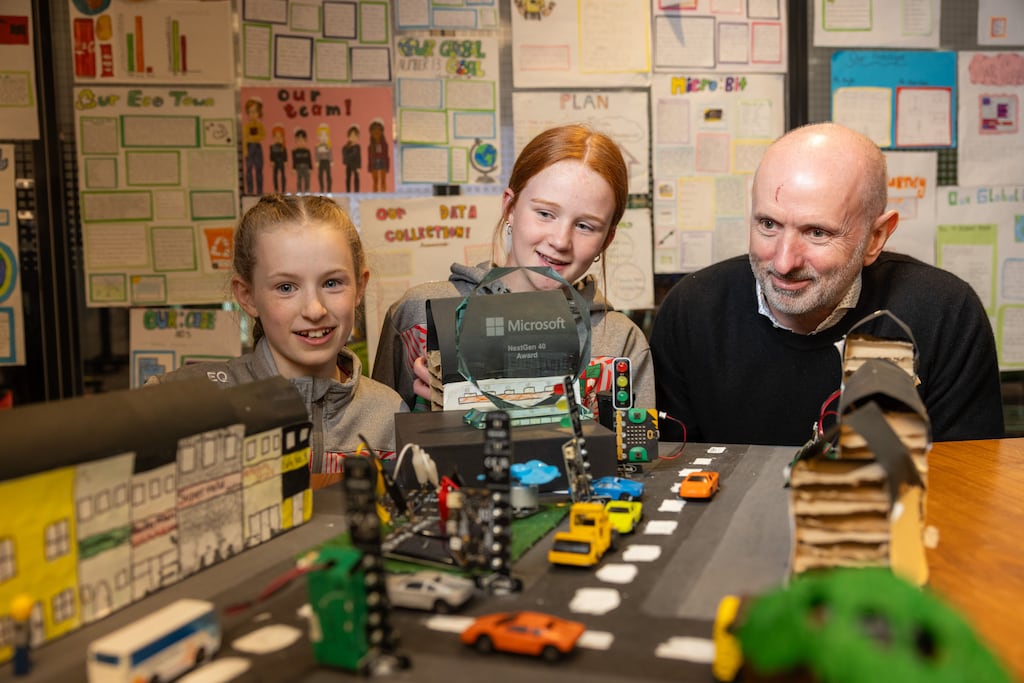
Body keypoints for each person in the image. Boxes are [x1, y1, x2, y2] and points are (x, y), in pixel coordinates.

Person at [650, 122, 1004, 446]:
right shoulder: (691, 312)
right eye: (768, 225)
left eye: (817, 233)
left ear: (876, 237)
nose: (784, 261)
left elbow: (966, 484)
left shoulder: (944, 314)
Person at [373, 124, 655, 413]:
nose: (560, 241)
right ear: (510, 207)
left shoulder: (620, 340)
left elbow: (633, 453)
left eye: (585, 226)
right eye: (545, 214)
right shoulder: (418, 315)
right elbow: (381, 440)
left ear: (607, 239)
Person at [148, 195, 407, 480]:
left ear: (360, 287)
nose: (314, 309)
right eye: (286, 287)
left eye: (332, 283)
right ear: (247, 296)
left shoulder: (389, 414)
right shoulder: (181, 403)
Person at [367, 118, 389, 192]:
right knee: (375, 181)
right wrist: (369, 167)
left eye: (378, 129)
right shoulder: (370, 147)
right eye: (374, 130)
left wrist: (387, 166)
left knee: (383, 180)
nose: (376, 131)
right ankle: (375, 194)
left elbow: (386, 156)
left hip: (383, 161)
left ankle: (383, 193)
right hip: (374, 161)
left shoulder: (384, 145)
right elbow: (369, 158)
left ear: (381, 131)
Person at [343, 124, 361, 193]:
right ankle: (348, 191)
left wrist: (359, 166)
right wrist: (345, 162)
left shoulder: (357, 147)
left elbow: (359, 157)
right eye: (351, 136)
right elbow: (345, 155)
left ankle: (357, 191)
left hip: (355, 165)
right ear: (349, 137)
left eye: (355, 136)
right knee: (348, 178)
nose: (353, 138)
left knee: (356, 177)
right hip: (349, 164)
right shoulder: (346, 147)